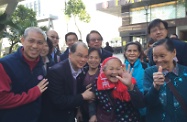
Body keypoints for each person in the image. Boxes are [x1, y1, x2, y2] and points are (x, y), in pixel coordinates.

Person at [0, 27, 49, 122]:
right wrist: (33, 93)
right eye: (31, 41)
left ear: (43, 45)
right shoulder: (5, 64)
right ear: (22, 40)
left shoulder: (41, 65)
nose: (35, 46)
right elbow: (2, 100)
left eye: (39, 43)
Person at [40, 42, 95, 122]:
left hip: (70, 115)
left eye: (86, 57)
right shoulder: (56, 72)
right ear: (70, 55)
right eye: (79, 55)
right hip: (55, 117)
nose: (83, 59)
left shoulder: (83, 70)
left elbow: (74, 91)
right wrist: (83, 96)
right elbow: (58, 101)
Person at [144, 38, 187, 122]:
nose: (159, 60)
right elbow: (148, 102)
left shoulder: (185, 72)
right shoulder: (149, 72)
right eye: (155, 56)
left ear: (174, 53)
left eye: (162, 56)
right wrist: (155, 87)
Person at [89, 57, 145, 122]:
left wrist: (130, 86)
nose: (115, 72)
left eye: (118, 69)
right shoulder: (97, 83)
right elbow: (92, 101)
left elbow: (141, 104)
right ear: (103, 70)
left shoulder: (129, 81)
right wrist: (92, 114)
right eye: (111, 69)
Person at [124, 42, 148, 121]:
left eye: (135, 51)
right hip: (126, 108)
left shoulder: (146, 66)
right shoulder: (119, 67)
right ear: (125, 53)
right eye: (129, 51)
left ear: (139, 53)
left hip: (143, 106)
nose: (132, 53)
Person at [80, 48, 101, 122]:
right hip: (84, 111)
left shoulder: (103, 74)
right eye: (90, 57)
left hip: (100, 112)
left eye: (96, 58)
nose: (93, 60)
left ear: (100, 59)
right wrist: (78, 111)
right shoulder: (81, 73)